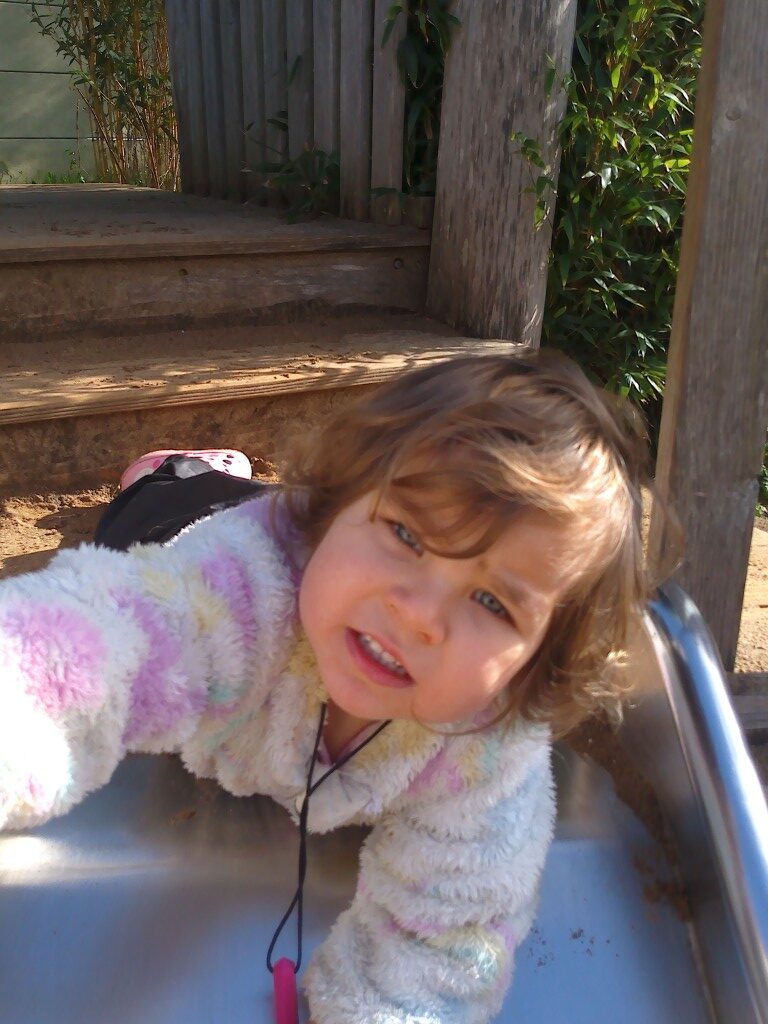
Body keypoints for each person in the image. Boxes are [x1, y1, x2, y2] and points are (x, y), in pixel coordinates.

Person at [0, 351, 655, 1024]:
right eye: (406, 533)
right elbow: (98, 639)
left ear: (538, 663)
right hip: (182, 531)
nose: (420, 615)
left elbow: (452, 928)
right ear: (332, 507)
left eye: (492, 602)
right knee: (146, 511)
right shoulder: (234, 595)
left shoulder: (490, 748)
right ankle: (177, 470)